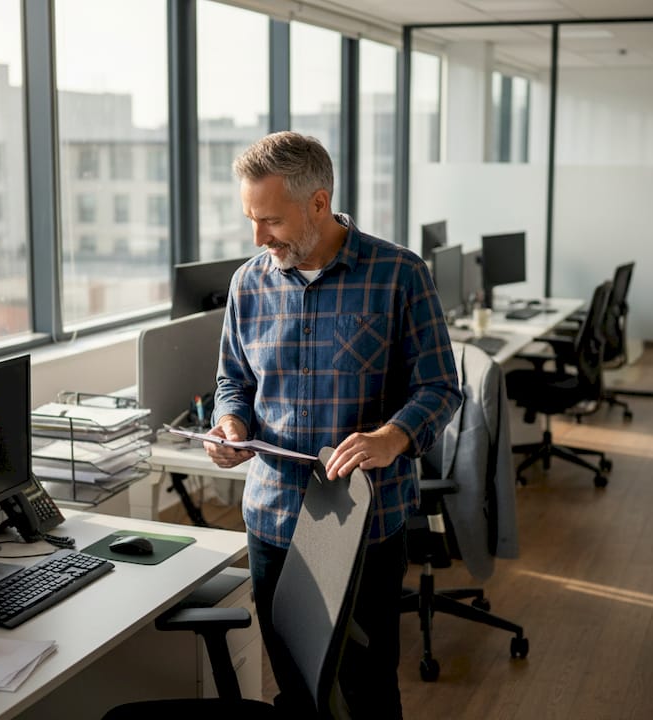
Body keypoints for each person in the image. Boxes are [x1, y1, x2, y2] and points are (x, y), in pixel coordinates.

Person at [204, 131, 462, 718]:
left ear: (318, 203)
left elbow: (441, 388)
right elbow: (233, 381)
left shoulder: (400, 274)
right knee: (298, 686)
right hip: (273, 518)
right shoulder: (249, 282)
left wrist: (391, 438)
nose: (257, 237)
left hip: (361, 521)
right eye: (250, 219)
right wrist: (230, 424)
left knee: (368, 691)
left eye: (269, 220)